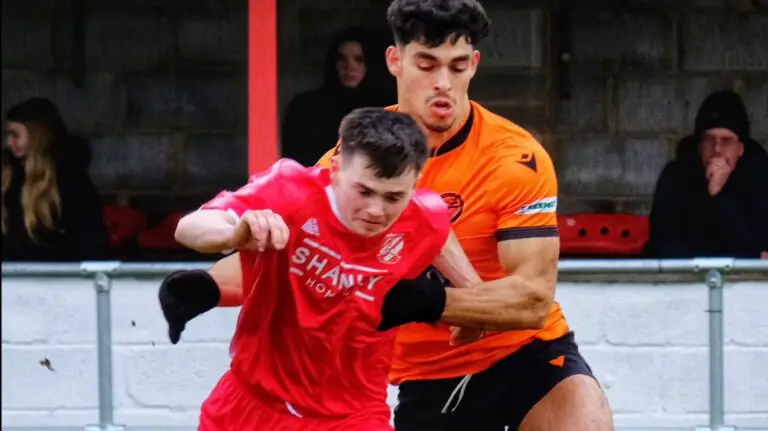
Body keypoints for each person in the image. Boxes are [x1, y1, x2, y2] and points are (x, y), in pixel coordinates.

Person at [159, 1, 613, 430]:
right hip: (424, 377)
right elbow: (291, 253)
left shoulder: (514, 159)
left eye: (456, 67)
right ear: (395, 62)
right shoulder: (342, 162)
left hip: (522, 355)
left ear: (473, 65)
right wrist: (206, 287)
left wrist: (430, 303)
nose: (443, 83)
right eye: (427, 64)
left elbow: (533, 299)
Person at [168, 107, 481, 430]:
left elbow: (455, 262)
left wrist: (470, 311)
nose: (376, 210)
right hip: (250, 404)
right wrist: (235, 233)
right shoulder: (290, 189)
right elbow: (190, 227)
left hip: (352, 415)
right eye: (364, 191)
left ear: (415, 184)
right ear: (335, 168)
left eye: (393, 197)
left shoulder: (426, 217)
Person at [645, 90, 768, 259]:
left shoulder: (761, 178)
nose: (717, 149)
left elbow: (756, 249)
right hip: (685, 280)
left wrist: (719, 196)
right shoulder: (676, 177)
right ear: (699, 146)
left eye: (726, 141)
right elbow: (661, 244)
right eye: (709, 140)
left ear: (740, 148)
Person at [2, 97, 109, 261]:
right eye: (8, 135)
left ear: (36, 136)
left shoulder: (69, 180)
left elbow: (90, 239)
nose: (9, 143)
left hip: (58, 280)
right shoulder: (9, 178)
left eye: (15, 135)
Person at [281, 26, 395, 167]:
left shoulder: (387, 110)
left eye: (359, 60)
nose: (350, 67)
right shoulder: (305, 108)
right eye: (342, 59)